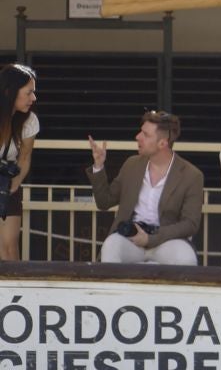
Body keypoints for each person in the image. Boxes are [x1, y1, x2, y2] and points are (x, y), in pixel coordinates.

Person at [86, 110, 204, 266]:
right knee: (111, 246)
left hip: (165, 241)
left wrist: (150, 239)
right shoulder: (132, 164)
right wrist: (99, 165)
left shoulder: (192, 175)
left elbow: (190, 224)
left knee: (185, 258)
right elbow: (104, 201)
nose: (138, 137)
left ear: (162, 143)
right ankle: (116, 291)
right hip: (131, 239)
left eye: (145, 135)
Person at [0, 63, 37, 261]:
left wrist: (12, 186)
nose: (34, 98)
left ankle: (12, 290)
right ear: (10, 92)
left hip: (8, 182)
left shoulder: (29, 120)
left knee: (9, 247)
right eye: (29, 92)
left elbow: (24, 156)